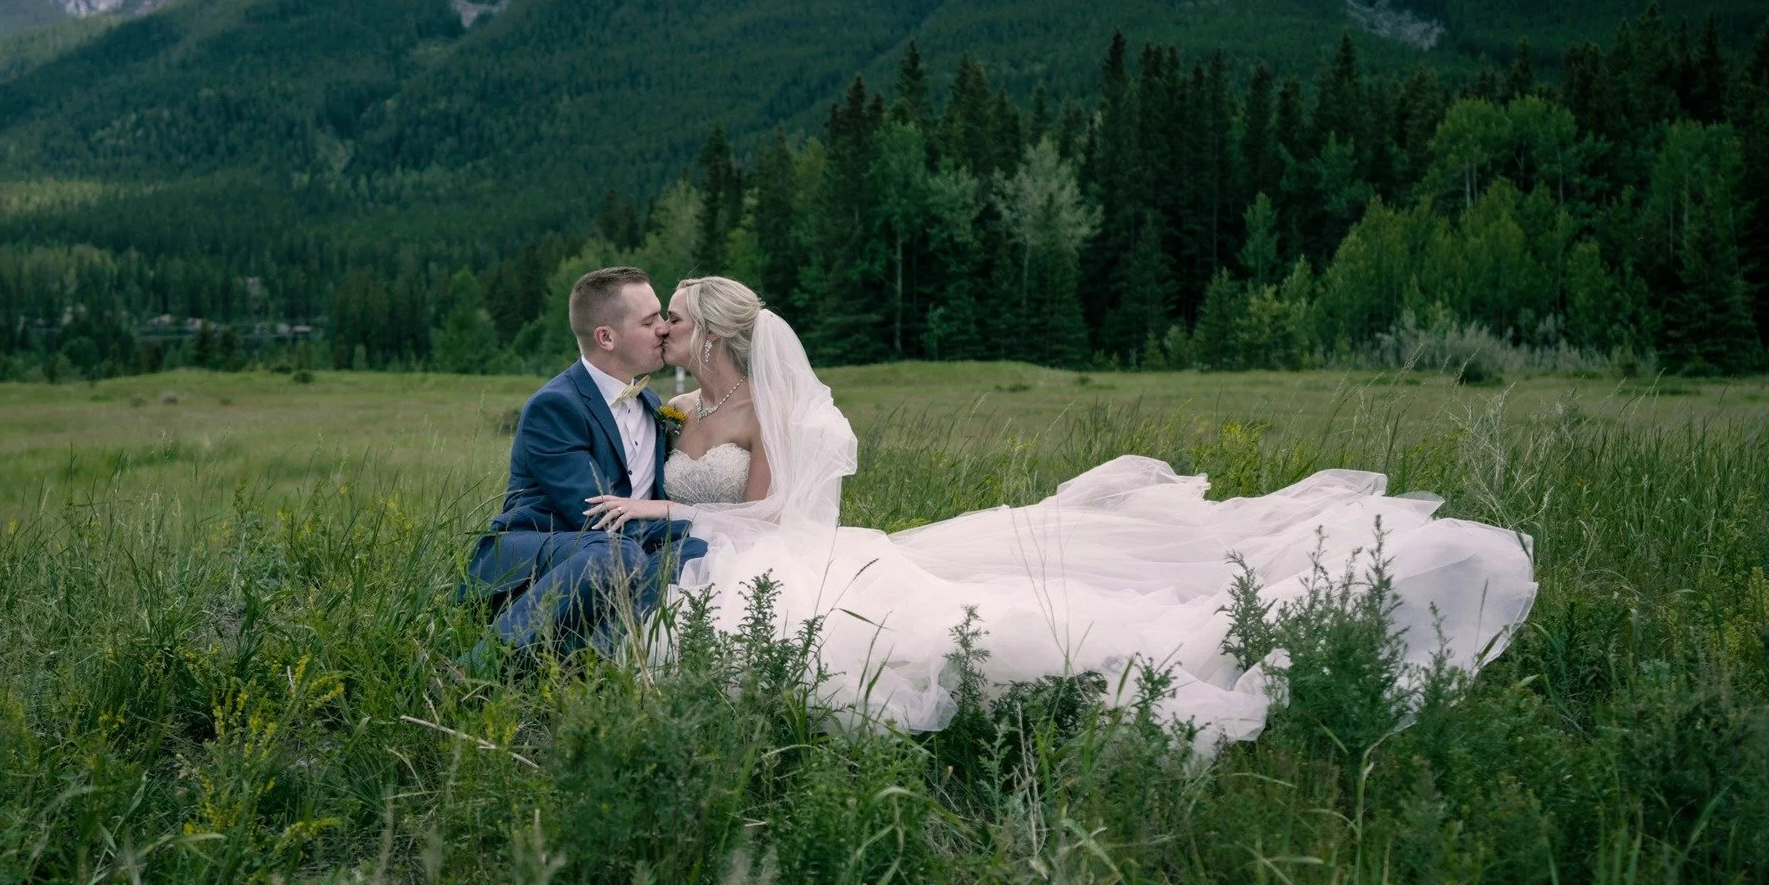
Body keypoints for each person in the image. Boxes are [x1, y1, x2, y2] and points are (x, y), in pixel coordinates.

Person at [581, 276, 1539, 750]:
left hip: (764, 552)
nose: (662, 328)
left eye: (673, 319)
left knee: (918, 639)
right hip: (708, 547)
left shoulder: (760, 410)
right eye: (655, 319)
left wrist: (659, 506)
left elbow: (775, 509)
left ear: (706, 332)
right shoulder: (688, 408)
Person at [463, 266, 704, 665]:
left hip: (621, 546)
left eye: (662, 316)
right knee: (617, 553)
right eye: (649, 321)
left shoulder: (650, 402)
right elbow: (595, 512)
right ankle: (478, 664)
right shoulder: (556, 406)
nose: (663, 328)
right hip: (545, 548)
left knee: (693, 551)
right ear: (606, 337)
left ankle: (587, 663)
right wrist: (693, 516)